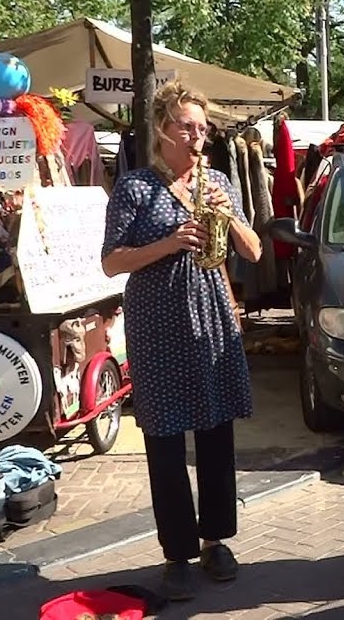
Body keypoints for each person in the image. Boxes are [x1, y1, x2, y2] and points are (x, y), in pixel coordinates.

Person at [101, 81, 263, 600]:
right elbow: (111, 262)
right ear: (162, 132)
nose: (199, 137)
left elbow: (255, 252)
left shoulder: (217, 179)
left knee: (216, 435)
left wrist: (230, 216)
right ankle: (176, 553)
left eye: (203, 128)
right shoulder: (135, 188)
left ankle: (216, 540)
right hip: (157, 324)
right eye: (188, 127)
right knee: (166, 444)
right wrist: (170, 242)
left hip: (211, 317)